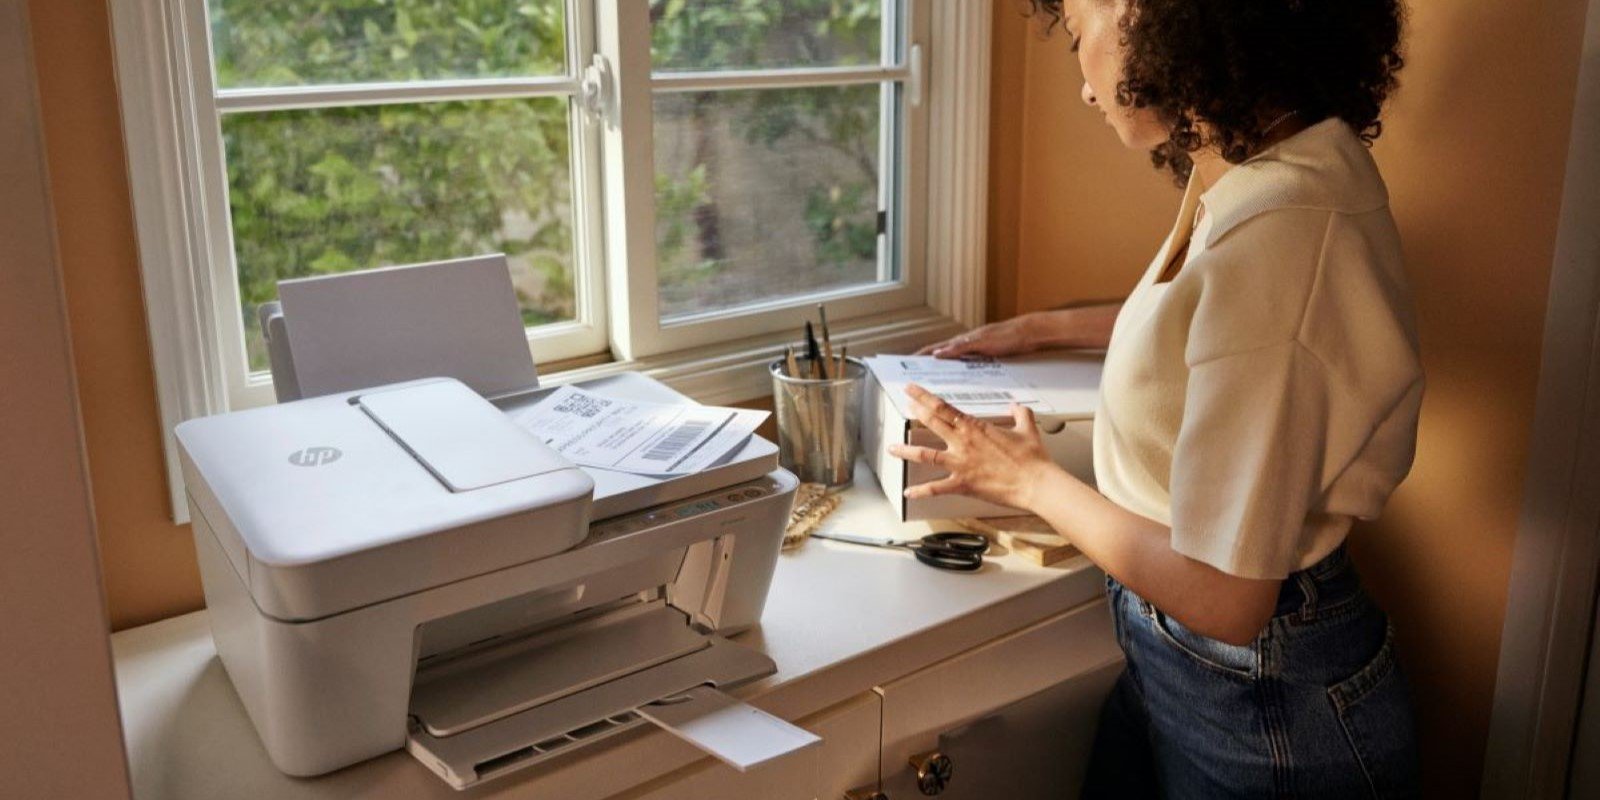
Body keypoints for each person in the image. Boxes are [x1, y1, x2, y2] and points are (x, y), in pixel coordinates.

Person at [899, 0, 1423, 797]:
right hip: (1192, 667)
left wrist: (1027, 479)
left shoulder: (1282, 234)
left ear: (1148, 14)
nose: (1082, 83)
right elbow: (1222, 322)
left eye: (1079, 34)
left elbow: (1226, 595)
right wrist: (1048, 327)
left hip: (1265, 707)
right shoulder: (1281, 167)